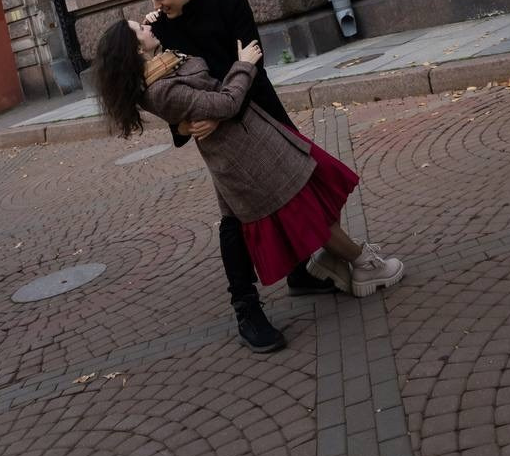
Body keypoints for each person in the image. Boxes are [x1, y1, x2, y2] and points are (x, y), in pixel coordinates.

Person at [92, 18, 405, 353]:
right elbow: (225, 103)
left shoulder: (165, 66)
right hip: (242, 158)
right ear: (136, 50)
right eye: (139, 28)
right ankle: (361, 264)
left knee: (308, 197)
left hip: (252, 141)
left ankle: (330, 264)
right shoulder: (161, 88)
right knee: (302, 211)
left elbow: (207, 88)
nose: (146, 24)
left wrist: (165, 28)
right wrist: (244, 66)